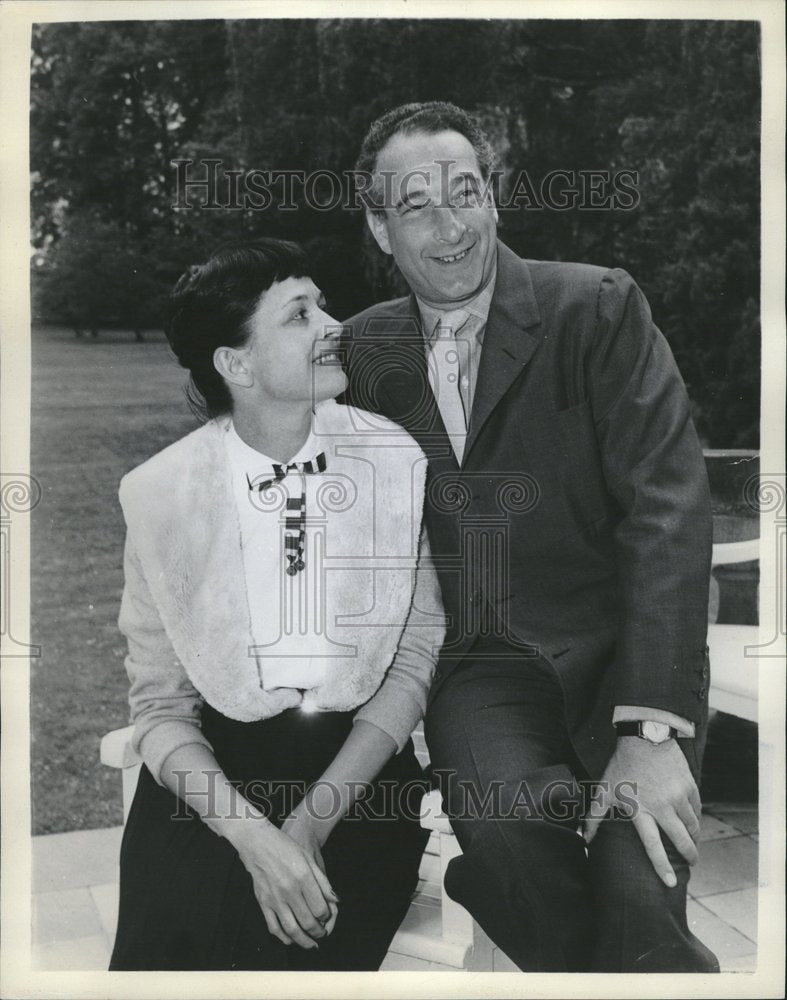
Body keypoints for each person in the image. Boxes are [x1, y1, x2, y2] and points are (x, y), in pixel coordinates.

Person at [342, 101, 719, 972]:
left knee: (639, 890)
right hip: (483, 674)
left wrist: (651, 735)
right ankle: (510, 887)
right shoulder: (359, 356)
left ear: (493, 196)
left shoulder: (596, 307)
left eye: (464, 192)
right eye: (414, 206)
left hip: (630, 657)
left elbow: (669, 508)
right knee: (513, 837)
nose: (448, 228)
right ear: (376, 223)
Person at [109, 239, 445, 971]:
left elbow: (414, 662)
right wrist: (255, 838)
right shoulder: (162, 493)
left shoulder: (393, 460)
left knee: (284, 952)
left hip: (357, 776)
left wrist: (307, 830)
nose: (334, 324)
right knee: (175, 947)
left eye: (321, 303)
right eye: (300, 314)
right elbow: (161, 708)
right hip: (208, 783)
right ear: (237, 364)